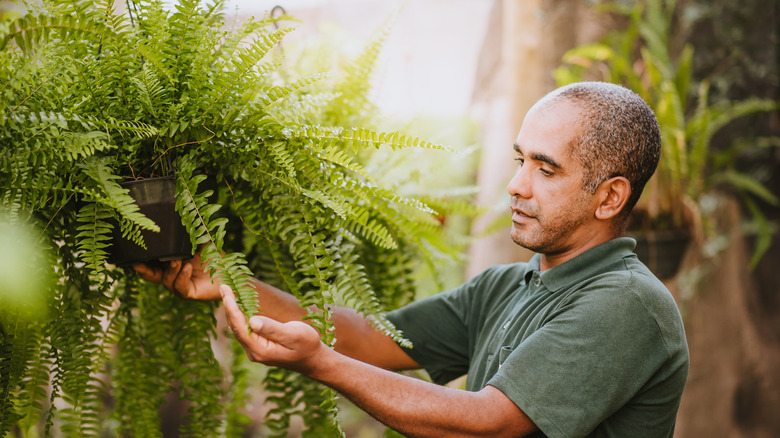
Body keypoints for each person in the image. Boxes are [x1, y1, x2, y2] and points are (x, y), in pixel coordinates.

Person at [136, 81, 689, 437]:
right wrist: (233, 280)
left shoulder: (628, 305)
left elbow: (489, 423)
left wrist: (319, 364)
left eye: (546, 170)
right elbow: (370, 341)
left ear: (610, 196)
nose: (517, 185)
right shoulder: (505, 286)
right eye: (520, 159)